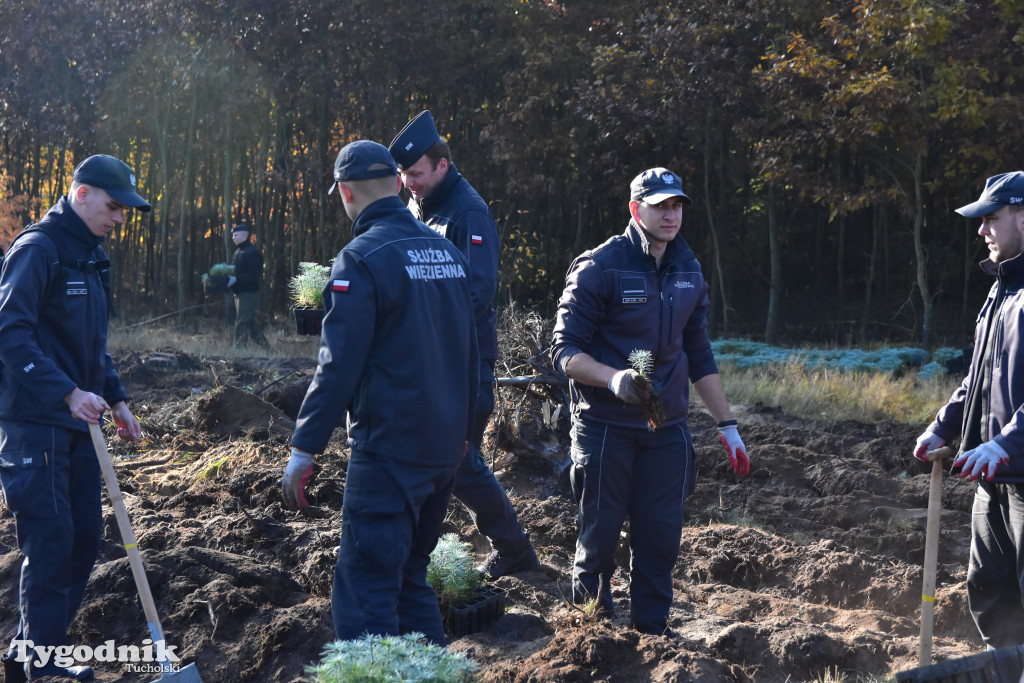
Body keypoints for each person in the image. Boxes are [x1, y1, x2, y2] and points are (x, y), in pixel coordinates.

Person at [281, 140, 478, 646]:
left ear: (346, 192)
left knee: (366, 586)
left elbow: (337, 365)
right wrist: (467, 434)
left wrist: (304, 448)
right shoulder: (449, 254)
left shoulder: (361, 258)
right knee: (412, 581)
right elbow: (471, 355)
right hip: (442, 453)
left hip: (390, 451)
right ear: (397, 182)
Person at [551, 167, 750, 636]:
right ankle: (590, 635)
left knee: (660, 539)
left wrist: (727, 424)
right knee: (599, 539)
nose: (670, 214)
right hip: (605, 428)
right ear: (635, 209)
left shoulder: (689, 270)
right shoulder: (600, 267)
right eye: (660, 205)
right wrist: (613, 378)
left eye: (677, 204)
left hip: (666, 431)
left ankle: (653, 638)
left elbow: (698, 352)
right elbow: (563, 351)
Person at [0, 154, 146, 681]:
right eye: (113, 206)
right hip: (35, 424)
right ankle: (41, 664)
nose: (121, 218)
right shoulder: (39, 251)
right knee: (52, 539)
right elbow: (9, 333)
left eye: (126, 210)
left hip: (81, 425)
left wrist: (118, 398)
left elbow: (92, 346)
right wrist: (65, 394)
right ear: (81, 194)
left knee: (85, 536)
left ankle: (35, 656)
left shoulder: (89, 257)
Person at [388, 110, 539, 579]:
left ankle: (515, 552)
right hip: (430, 360)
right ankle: (508, 551)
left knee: (458, 459)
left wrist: (419, 329)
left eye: (415, 174)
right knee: (449, 460)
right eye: (403, 176)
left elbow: (476, 293)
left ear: (442, 166)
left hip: (463, 360)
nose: (408, 183)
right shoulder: (422, 205)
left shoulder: (467, 213)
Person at [913, 170, 1024, 650]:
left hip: (1017, 470)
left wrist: (1006, 443)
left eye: (991, 219)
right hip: (995, 478)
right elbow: (978, 377)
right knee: (990, 591)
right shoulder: (1000, 290)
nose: (981, 231)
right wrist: (944, 426)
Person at [227, 223, 268, 348]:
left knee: (242, 322)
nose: (233, 237)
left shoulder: (252, 253)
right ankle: (267, 349)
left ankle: (238, 350)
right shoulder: (237, 252)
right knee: (249, 322)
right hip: (239, 293)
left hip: (249, 293)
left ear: (245, 235)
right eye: (233, 235)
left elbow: (254, 276)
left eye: (236, 235)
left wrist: (236, 279)